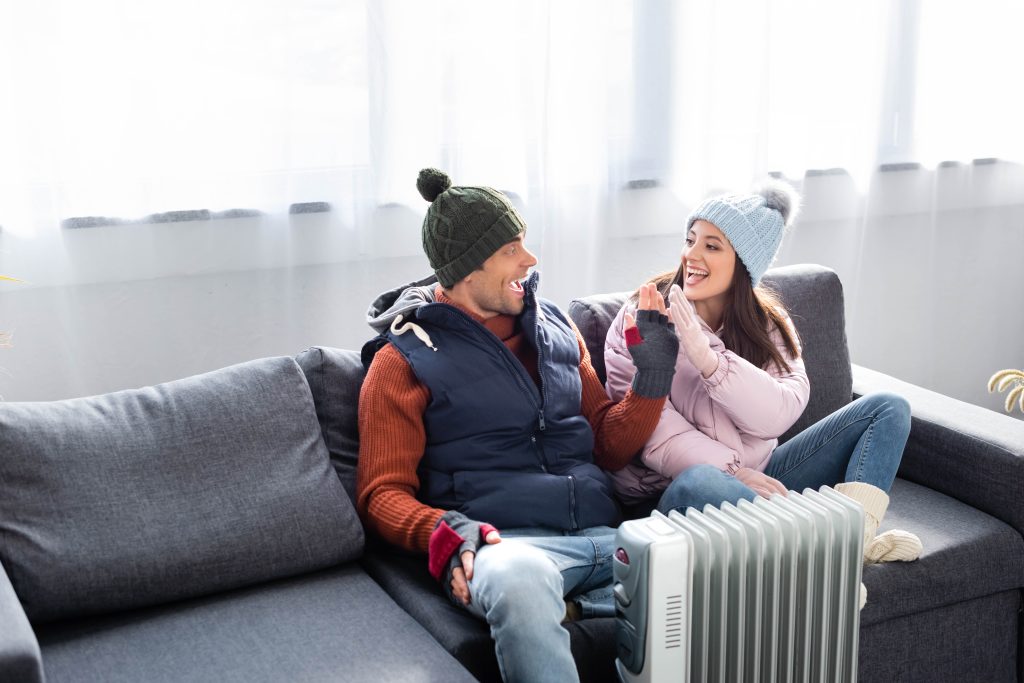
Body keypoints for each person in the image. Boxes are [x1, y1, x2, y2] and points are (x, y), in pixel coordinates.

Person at [356, 168, 680, 682]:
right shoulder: (402, 362)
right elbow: (381, 495)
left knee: (711, 496)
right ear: (467, 270)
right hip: (510, 548)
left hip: (609, 533)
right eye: (511, 249)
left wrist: (653, 377)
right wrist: (448, 531)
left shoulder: (556, 326)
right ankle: (596, 601)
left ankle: (593, 601)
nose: (530, 261)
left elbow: (608, 445)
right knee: (519, 578)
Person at [603, 180, 922, 606]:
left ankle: (853, 543)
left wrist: (710, 360)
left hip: (761, 478)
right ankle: (819, 556)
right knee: (702, 479)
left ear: (744, 263)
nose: (692, 256)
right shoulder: (641, 315)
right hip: (671, 493)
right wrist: (731, 473)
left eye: (712, 246)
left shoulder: (769, 323)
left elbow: (778, 416)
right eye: (690, 239)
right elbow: (653, 434)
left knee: (888, 408)